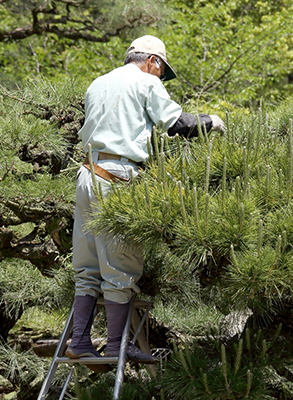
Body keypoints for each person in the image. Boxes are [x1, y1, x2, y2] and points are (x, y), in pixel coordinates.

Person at [66, 35, 225, 365]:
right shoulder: (145, 83)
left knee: (87, 266)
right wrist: (213, 122)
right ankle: (115, 347)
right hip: (118, 179)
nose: (161, 78)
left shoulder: (99, 82)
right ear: (152, 61)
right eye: (162, 71)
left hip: (87, 175)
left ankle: (79, 341)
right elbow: (177, 124)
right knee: (121, 265)